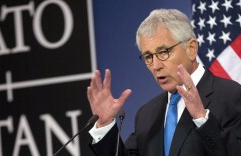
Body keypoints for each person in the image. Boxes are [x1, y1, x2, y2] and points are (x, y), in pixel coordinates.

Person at [86, 9, 241, 156]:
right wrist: (105, 126)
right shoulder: (147, 115)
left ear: (191, 49)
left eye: (163, 52)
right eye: (148, 57)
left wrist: (202, 118)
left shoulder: (231, 96)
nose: (155, 66)